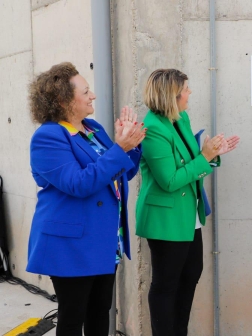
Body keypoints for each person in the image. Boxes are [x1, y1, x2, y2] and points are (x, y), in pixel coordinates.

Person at [27, 62, 145, 335]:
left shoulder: (92, 128)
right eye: (86, 91)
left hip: (103, 239)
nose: (92, 96)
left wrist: (131, 145)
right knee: (72, 318)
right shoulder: (48, 136)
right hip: (71, 245)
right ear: (63, 99)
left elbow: (118, 175)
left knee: (99, 312)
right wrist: (119, 148)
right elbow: (78, 184)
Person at [136, 69, 239, 335]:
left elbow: (194, 163)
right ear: (172, 94)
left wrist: (213, 154)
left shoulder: (180, 119)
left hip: (188, 216)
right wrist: (204, 157)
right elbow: (169, 180)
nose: (190, 92)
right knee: (166, 284)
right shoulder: (152, 130)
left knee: (191, 274)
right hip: (166, 220)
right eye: (186, 88)